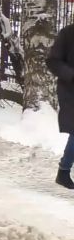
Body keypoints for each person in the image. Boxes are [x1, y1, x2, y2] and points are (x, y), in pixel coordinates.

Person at [46, 23, 74, 189]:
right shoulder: (68, 34)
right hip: (71, 90)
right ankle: (63, 172)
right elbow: (52, 61)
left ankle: (63, 171)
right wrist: (71, 74)